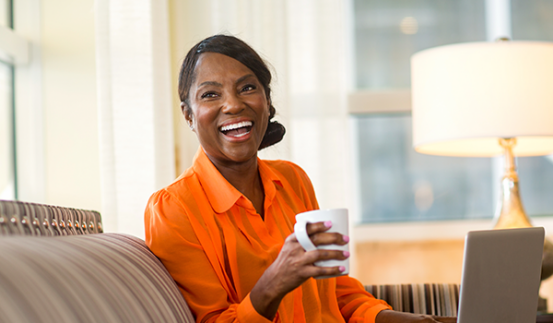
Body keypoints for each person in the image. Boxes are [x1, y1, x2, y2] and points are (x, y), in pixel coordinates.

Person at [144, 34, 456, 323]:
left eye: (247, 88)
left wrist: (400, 319)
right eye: (210, 94)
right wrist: (274, 282)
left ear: (267, 102)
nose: (233, 104)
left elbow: (334, 287)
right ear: (189, 115)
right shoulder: (174, 210)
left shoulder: (292, 179)